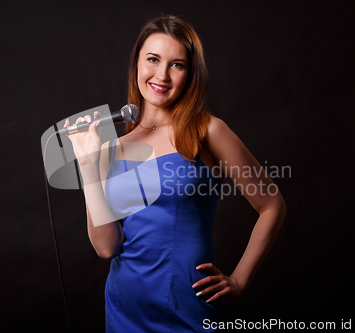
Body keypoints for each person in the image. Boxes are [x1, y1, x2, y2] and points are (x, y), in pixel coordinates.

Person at [64, 15, 286, 333]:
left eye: (177, 64)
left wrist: (238, 279)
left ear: (190, 73)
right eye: (153, 59)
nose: (162, 75)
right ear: (137, 64)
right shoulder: (110, 148)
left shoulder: (208, 131)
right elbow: (106, 247)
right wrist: (88, 166)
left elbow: (272, 204)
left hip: (188, 306)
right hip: (125, 308)